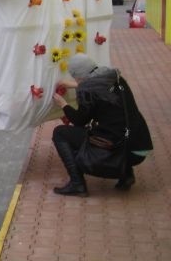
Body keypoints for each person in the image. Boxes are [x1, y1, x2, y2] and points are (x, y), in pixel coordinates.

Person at [50, 54, 152, 196]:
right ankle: (126, 175)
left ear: (78, 75)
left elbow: (80, 121)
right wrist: (77, 85)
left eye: (75, 78)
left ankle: (77, 184)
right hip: (139, 146)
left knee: (60, 133)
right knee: (117, 126)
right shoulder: (116, 78)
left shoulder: (87, 90)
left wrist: (63, 104)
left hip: (120, 149)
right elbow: (100, 90)